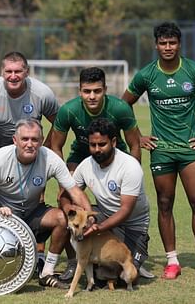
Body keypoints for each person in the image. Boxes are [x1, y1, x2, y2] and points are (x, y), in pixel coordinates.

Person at [122, 22, 195, 281]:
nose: (167, 47)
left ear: (179, 44)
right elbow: (123, 105)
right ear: (156, 45)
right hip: (161, 151)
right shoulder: (146, 75)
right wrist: (138, 137)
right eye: (163, 43)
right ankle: (172, 261)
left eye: (172, 43)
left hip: (190, 149)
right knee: (165, 204)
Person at [0, 118, 92, 289]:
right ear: (15, 140)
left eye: (35, 139)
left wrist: (88, 216)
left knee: (62, 218)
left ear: (42, 141)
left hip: (32, 212)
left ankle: (47, 272)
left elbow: (75, 191)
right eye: (25, 139)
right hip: (4, 218)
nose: (30, 144)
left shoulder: (51, 159)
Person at [51, 66, 142, 282]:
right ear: (80, 91)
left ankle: (125, 250)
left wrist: (134, 171)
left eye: (97, 91)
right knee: (66, 203)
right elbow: (56, 146)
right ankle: (75, 261)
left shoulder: (120, 108)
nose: (92, 96)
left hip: (112, 158)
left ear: (105, 90)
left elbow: (134, 143)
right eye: (86, 91)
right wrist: (64, 177)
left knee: (118, 273)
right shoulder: (69, 110)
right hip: (80, 159)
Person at [61, 118, 151, 283]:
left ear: (114, 142)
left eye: (102, 144)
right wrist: (69, 211)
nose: (96, 150)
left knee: (126, 277)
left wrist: (98, 227)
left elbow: (125, 211)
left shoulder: (130, 166)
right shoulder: (86, 165)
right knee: (66, 221)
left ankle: (131, 261)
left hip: (132, 227)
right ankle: (75, 262)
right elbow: (66, 195)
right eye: (92, 145)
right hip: (104, 217)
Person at [0, 51, 59, 165]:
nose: (13, 76)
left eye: (18, 71)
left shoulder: (42, 94)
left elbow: (58, 123)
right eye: (8, 71)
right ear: (2, 72)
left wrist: (44, 150)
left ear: (26, 72)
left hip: (31, 156)